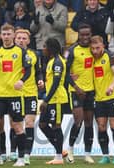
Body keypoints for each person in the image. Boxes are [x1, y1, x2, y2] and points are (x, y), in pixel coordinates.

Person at [0, 23, 31, 166]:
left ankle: (21, 158)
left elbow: (28, 70)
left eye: (8, 34)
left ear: (13, 35)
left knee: (17, 126)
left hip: (15, 95)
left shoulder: (21, 52)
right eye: (3, 34)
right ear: (0, 36)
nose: (6, 37)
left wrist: (22, 80)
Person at [12, 28, 44, 165]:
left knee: (29, 123)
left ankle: (26, 154)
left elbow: (38, 72)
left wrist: (40, 80)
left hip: (30, 93)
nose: (21, 40)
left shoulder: (34, 54)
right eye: (19, 38)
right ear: (15, 39)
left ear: (29, 41)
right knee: (15, 124)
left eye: (24, 38)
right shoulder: (9, 53)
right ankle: (14, 152)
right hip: (13, 93)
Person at [90, 35, 114, 164]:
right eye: (93, 48)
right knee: (101, 127)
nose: (95, 51)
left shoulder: (110, 57)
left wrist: (111, 86)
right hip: (98, 99)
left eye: (97, 48)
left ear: (103, 46)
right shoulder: (91, 59)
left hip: (112, 97)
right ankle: (105, 155)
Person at [65, 23, 95, 164]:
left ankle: (87, 154)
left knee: (89, 123)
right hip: (77, 91)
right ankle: (70, 150)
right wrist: (76, 87)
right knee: (78, 120)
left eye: (87, 34)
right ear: (78, 35)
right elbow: (65, 73)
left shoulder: (94, 49)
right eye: (82, 34)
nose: (85, 37)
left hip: (91, 91)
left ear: (90, 34)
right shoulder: (72, 51)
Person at [38, 37, 68, 165]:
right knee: (42, 125)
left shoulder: (58, 62)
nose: (43, 49)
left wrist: (45, 100)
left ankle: (59, 157)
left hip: (57, 99)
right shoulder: (51, 61)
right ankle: (60, 150)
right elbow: (51, 82)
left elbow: (56, 82)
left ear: (50, 48)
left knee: (56, 126)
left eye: (45, 46)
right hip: (51, 98)